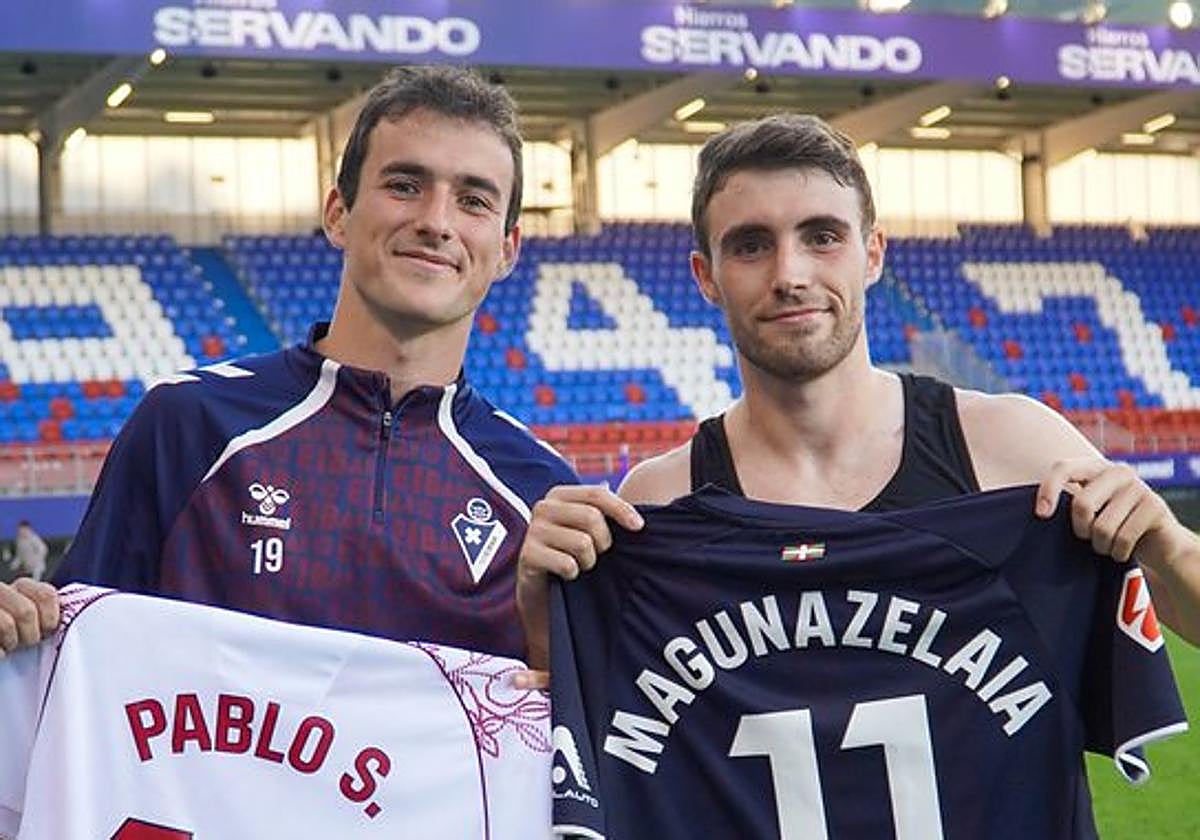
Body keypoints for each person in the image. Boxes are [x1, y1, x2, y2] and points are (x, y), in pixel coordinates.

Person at [516, 113, 1200, 674]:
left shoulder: (1012, 450)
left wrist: (1166, 541)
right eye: (751, 245)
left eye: (822, 237)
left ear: (873, 254)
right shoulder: (658, 507)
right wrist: (544, 619)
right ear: (706, 275)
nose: (791, 274)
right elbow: (588, 732)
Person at [0, 64, 576, 660]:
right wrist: (17, 637)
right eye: (404, 185)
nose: (436, 221)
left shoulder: (539, 493)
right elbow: (76, 673)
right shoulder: (188, 428)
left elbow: (553, 727)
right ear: (337, 214)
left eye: (474, 200)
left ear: (507, 250)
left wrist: (543, 642)